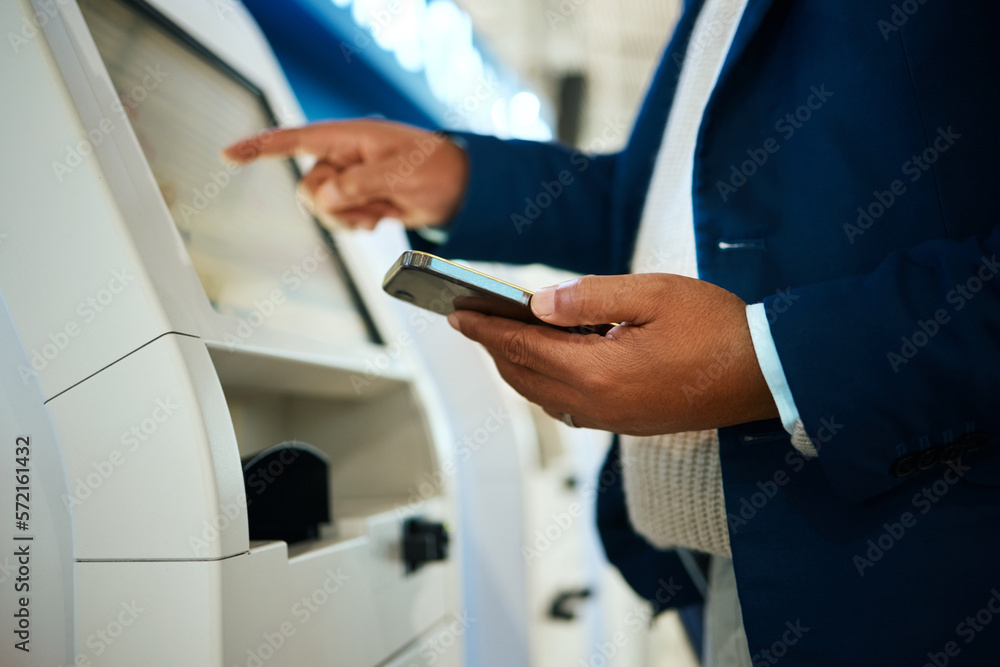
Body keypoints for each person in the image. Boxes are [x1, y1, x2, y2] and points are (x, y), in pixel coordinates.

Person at [223, 0, 1000, 664]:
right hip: (731, 568)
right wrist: (461, 177)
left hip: (910, 567)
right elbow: (660, 206)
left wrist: (770, 359)